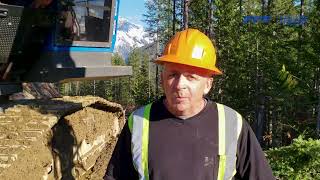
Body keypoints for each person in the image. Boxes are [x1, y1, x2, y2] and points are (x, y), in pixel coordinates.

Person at [104, 28, 275, 180]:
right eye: (173, 75)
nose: (179, 85)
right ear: (162, 79)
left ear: (208, 84)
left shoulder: (232, 124)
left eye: (191, 77)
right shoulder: (139, 122)